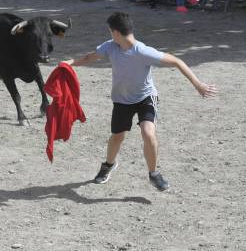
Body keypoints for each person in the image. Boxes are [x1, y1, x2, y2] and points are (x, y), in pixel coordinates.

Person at [65, 12, 217, 191]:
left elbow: (176, 61)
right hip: (122, 100)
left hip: (146, 97)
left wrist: (198, 84)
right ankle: (108, 165)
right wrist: (70, 63)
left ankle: (154, 174)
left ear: (116, 33)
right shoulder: (110, 47)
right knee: (117, 137)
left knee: (148, 133)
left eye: (110, 31)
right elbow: (90, 57)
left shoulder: (143, 51)